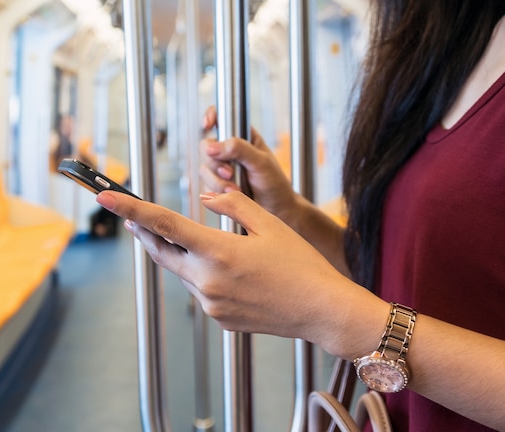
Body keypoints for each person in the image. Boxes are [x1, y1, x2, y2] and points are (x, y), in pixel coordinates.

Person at [96, 1, 505, 431]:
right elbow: (407, 275)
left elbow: (369, 312)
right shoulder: (442, 54)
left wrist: (332, 315)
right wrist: (289, 212)